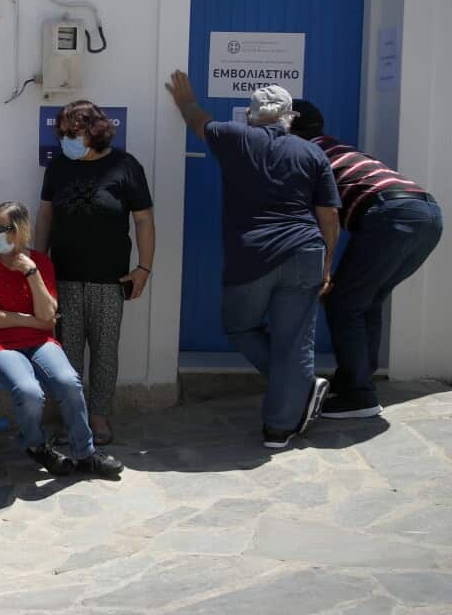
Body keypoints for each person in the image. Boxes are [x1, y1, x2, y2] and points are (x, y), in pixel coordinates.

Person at [166, 72, 340, 448]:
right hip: (305, 252)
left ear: (251, 114)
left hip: (252, 254)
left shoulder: (234, 137)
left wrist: (185, 101)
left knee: (240, 327)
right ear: (289, 116)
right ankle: (282, 421)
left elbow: (197, 120)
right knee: (294, 344)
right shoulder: (312, 152)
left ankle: (292, 398)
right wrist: (326, 266)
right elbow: (329, 215)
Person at [290, 100, 443, 418]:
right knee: (365, 301)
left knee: (343, 302)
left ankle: (358, 395)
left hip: (392, 216)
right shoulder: (337, 148)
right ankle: (355, 381)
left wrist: (325, 268)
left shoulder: (306, 156)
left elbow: (328, 214)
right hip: (427, 213)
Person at [0, 202, 124, 478]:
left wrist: (31, 272)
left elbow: (48, 313)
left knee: (68, 383)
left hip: (40, 342)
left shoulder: (41, 263)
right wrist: (32, 321)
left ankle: (85, 453)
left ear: (19, 231)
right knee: (29, 391)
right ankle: (36, 446)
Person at [34, 101, 155, 445]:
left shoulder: (125, 166)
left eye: (73, 134)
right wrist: (38, 266)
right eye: (62, 134)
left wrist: (143, 268)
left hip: (110, 278)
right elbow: (45, 216)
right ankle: (72, 418)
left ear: (95, 131)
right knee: (66, 354)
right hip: (64, 278)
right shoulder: (58, 166)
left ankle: (99, 419)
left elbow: (144, 220)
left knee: (104, 351)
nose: (66, 140)